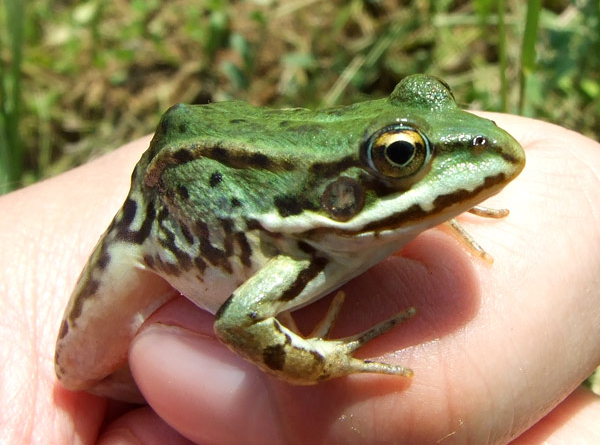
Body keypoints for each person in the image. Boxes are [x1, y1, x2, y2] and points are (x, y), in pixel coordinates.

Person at [1, 113, 598, 445]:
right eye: (399, 158)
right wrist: (322, 365)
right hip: (155, 211)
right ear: (342, 193)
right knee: (74, 366)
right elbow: (239, 318)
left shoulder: (331, 239)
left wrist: (436, 210)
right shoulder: (294, 258)